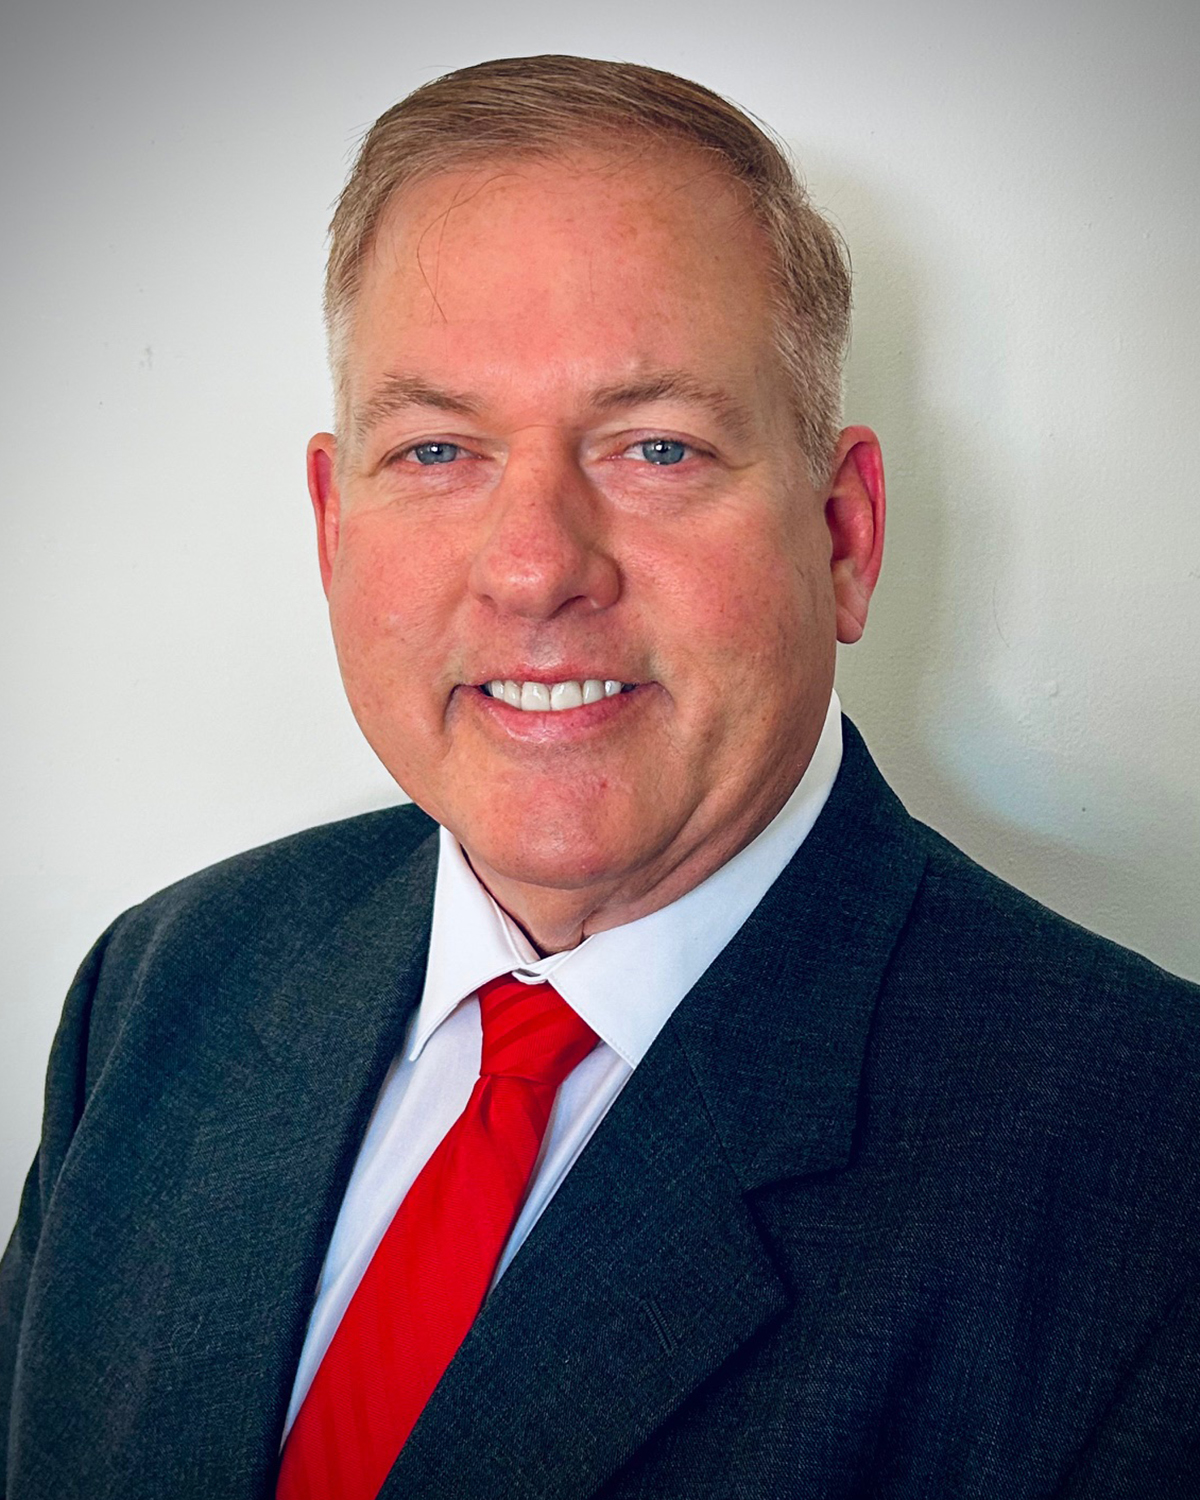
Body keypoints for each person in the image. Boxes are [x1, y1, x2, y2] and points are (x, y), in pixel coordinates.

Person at [2, 53, 1197, 1500]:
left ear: (843, 534)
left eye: (656, 449)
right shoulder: (161, 989)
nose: (534, 567)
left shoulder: (1153, 1169)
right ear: (332, 527)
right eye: (437, 450)